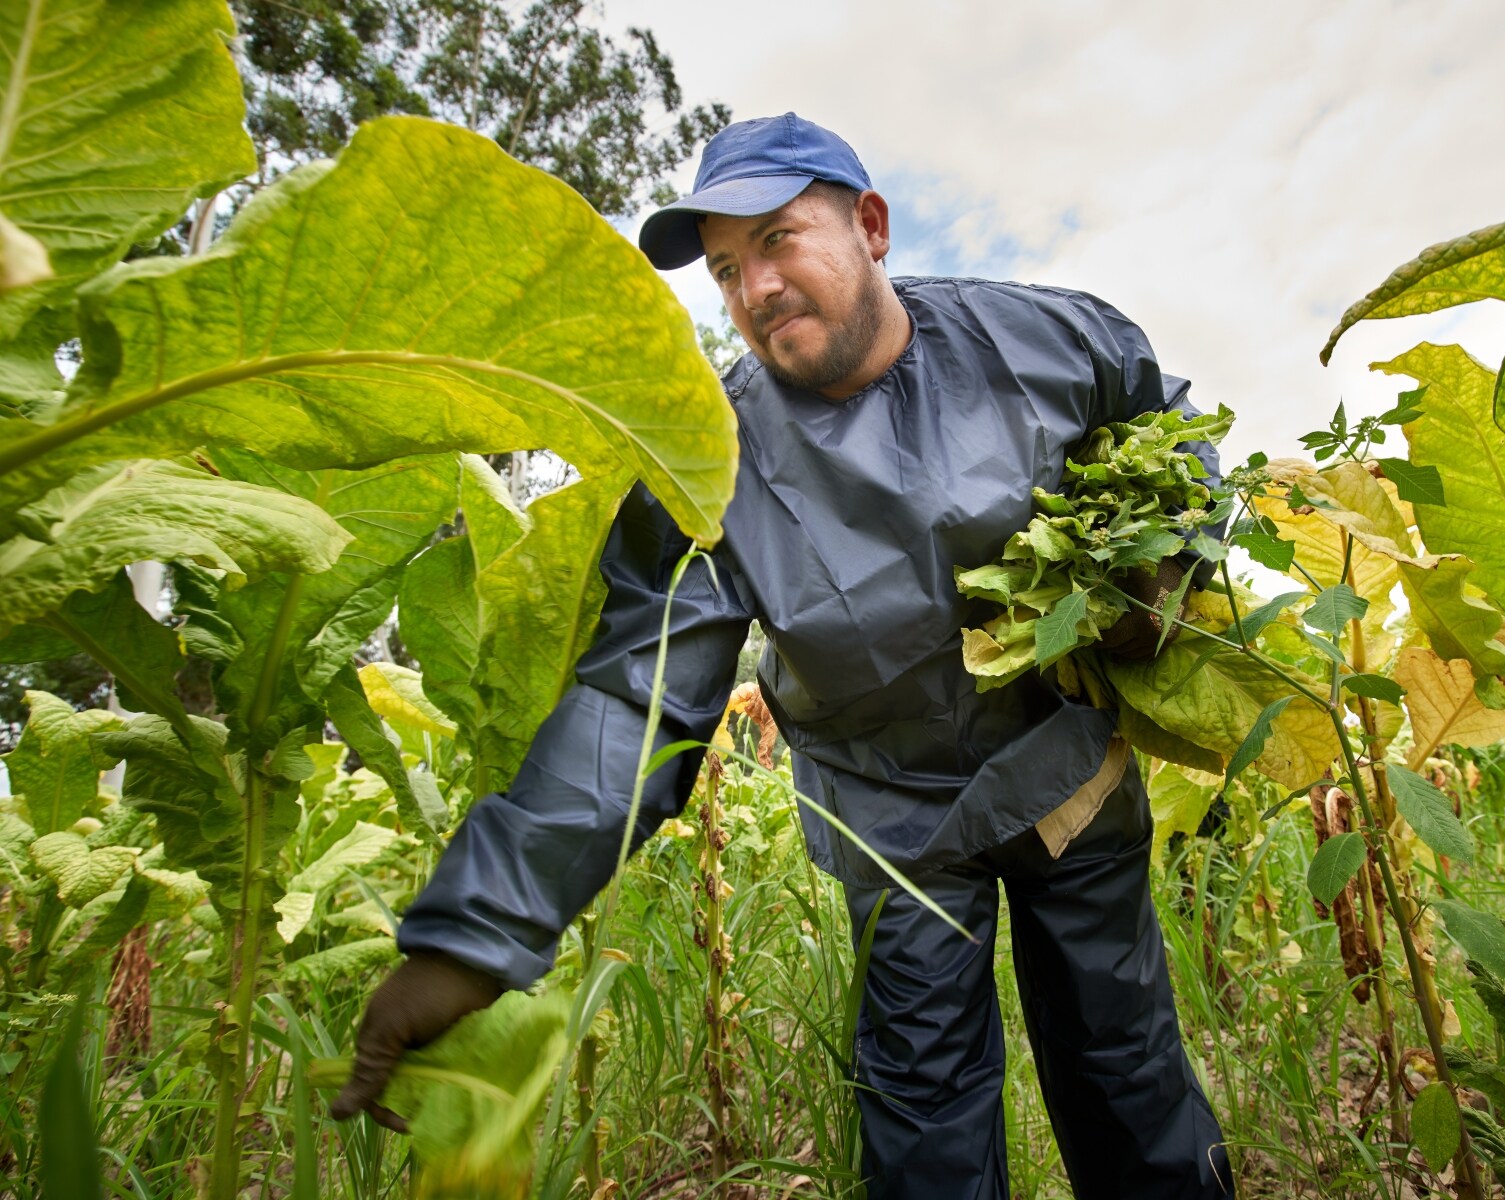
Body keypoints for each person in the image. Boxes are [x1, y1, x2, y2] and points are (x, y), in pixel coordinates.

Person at [329, 112, 1235, 1200]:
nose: (753, 286)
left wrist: (1170, 564)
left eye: (778, 239)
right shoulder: (716, 460)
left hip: (1063, 771)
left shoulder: (1045, 344)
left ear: (872, 225)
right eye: (724, 267)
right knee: (923, 1106)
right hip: (895, 812)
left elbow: (1167, 433)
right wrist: (466, 941)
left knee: (1123, 1065)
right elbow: (636, 699)